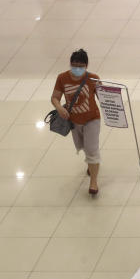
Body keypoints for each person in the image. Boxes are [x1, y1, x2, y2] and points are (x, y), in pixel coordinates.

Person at [51, 49, 101, 195]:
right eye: (74, 65)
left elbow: (103, 97)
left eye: (81, 66)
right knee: (83, 146)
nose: (77, 68)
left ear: (86, 65)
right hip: (74, 120)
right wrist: (59, 107)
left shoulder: (93, 78)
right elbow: (55, 97)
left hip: (92, 118)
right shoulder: (62, 78)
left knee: (92, 149)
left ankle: (94, 182)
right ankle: (92, 165)